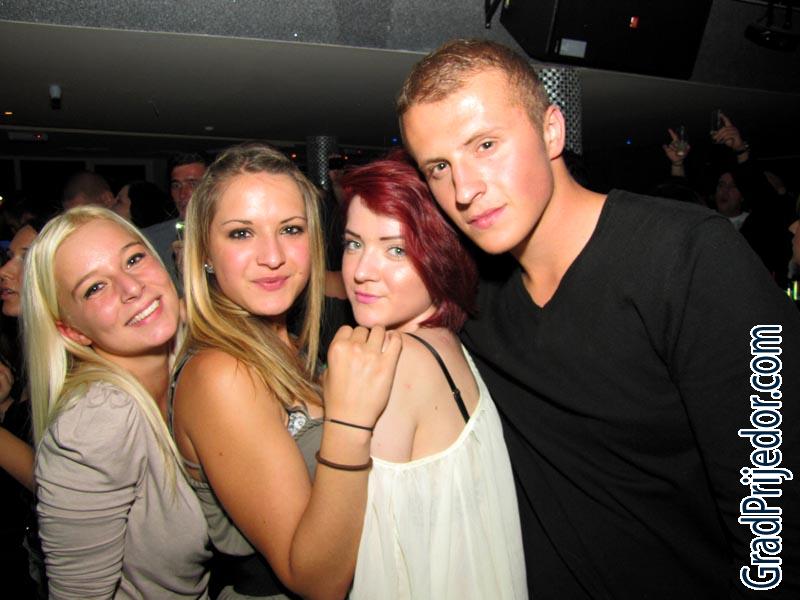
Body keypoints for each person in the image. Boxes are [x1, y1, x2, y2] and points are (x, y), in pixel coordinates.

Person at [398, 39, 800, 598]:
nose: (464, 190)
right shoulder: (473, 296)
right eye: (439, 167)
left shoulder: (688, 257)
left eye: (485, 145)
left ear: (551, 131)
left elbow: (772, 502)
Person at [170, 143, 401, 599]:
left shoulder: (290, 346)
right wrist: (350, 422)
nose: (272, 255)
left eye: (291, 229)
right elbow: (316, 579)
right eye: (241, 233)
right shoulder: (222, 374)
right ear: (205, 252)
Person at [337, 155, 527, 599]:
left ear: (441, 256)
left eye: (395, 250)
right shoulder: (449, 341)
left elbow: (365, 558)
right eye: (353, 244)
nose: (361, 271)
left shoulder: (395, 362)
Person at [22, 206, 211, 598]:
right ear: (71, 330)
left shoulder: (194, 359)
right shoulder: (97, 420)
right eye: (95, 288)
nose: (132, 287)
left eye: (134, 259)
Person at [0, 215, 50, 598]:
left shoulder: (77, 364)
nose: (5, 271)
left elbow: (55, 483)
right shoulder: (29, 352)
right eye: (9, 257)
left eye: (25, 258)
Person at [142, 153, 208, 291]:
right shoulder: (150, 240)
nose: (182, 194)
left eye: (193, 184)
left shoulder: (231, 234)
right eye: (176, 185)